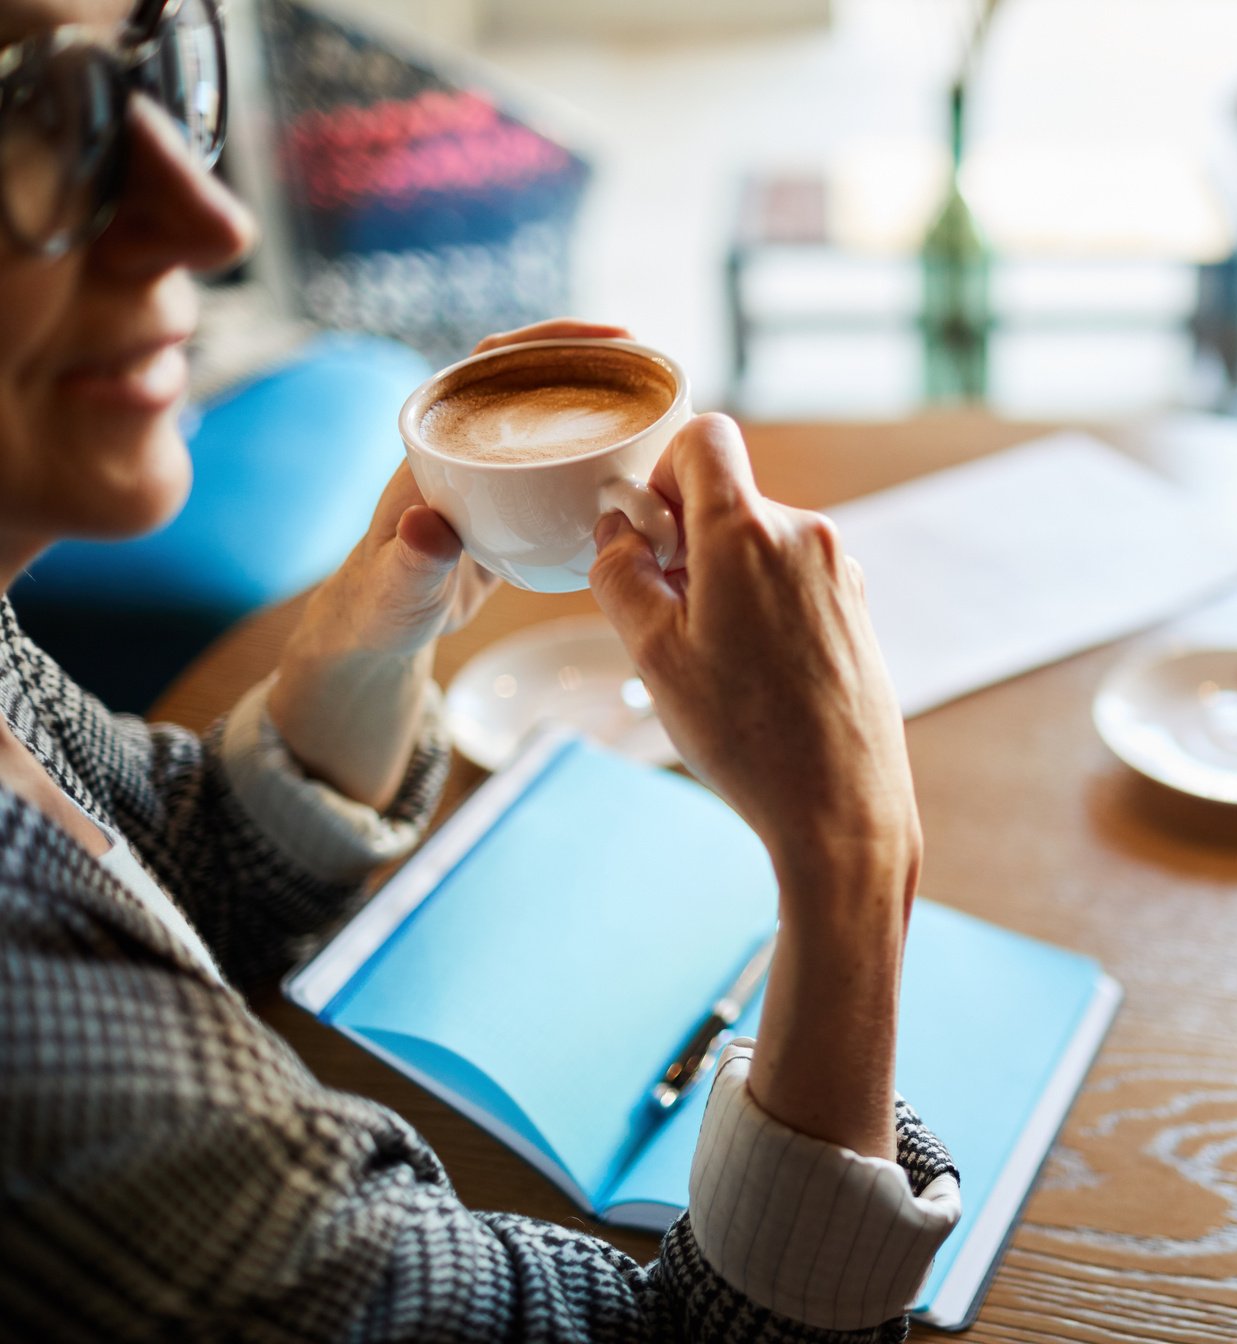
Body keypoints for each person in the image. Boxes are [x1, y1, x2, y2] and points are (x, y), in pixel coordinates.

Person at [0, 1, 956, 1339]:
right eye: (44, 118)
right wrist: (856, 850)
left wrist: (387, 598)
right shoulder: (51, 1084)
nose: (212, 227)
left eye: (154, 72)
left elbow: (181, 864)